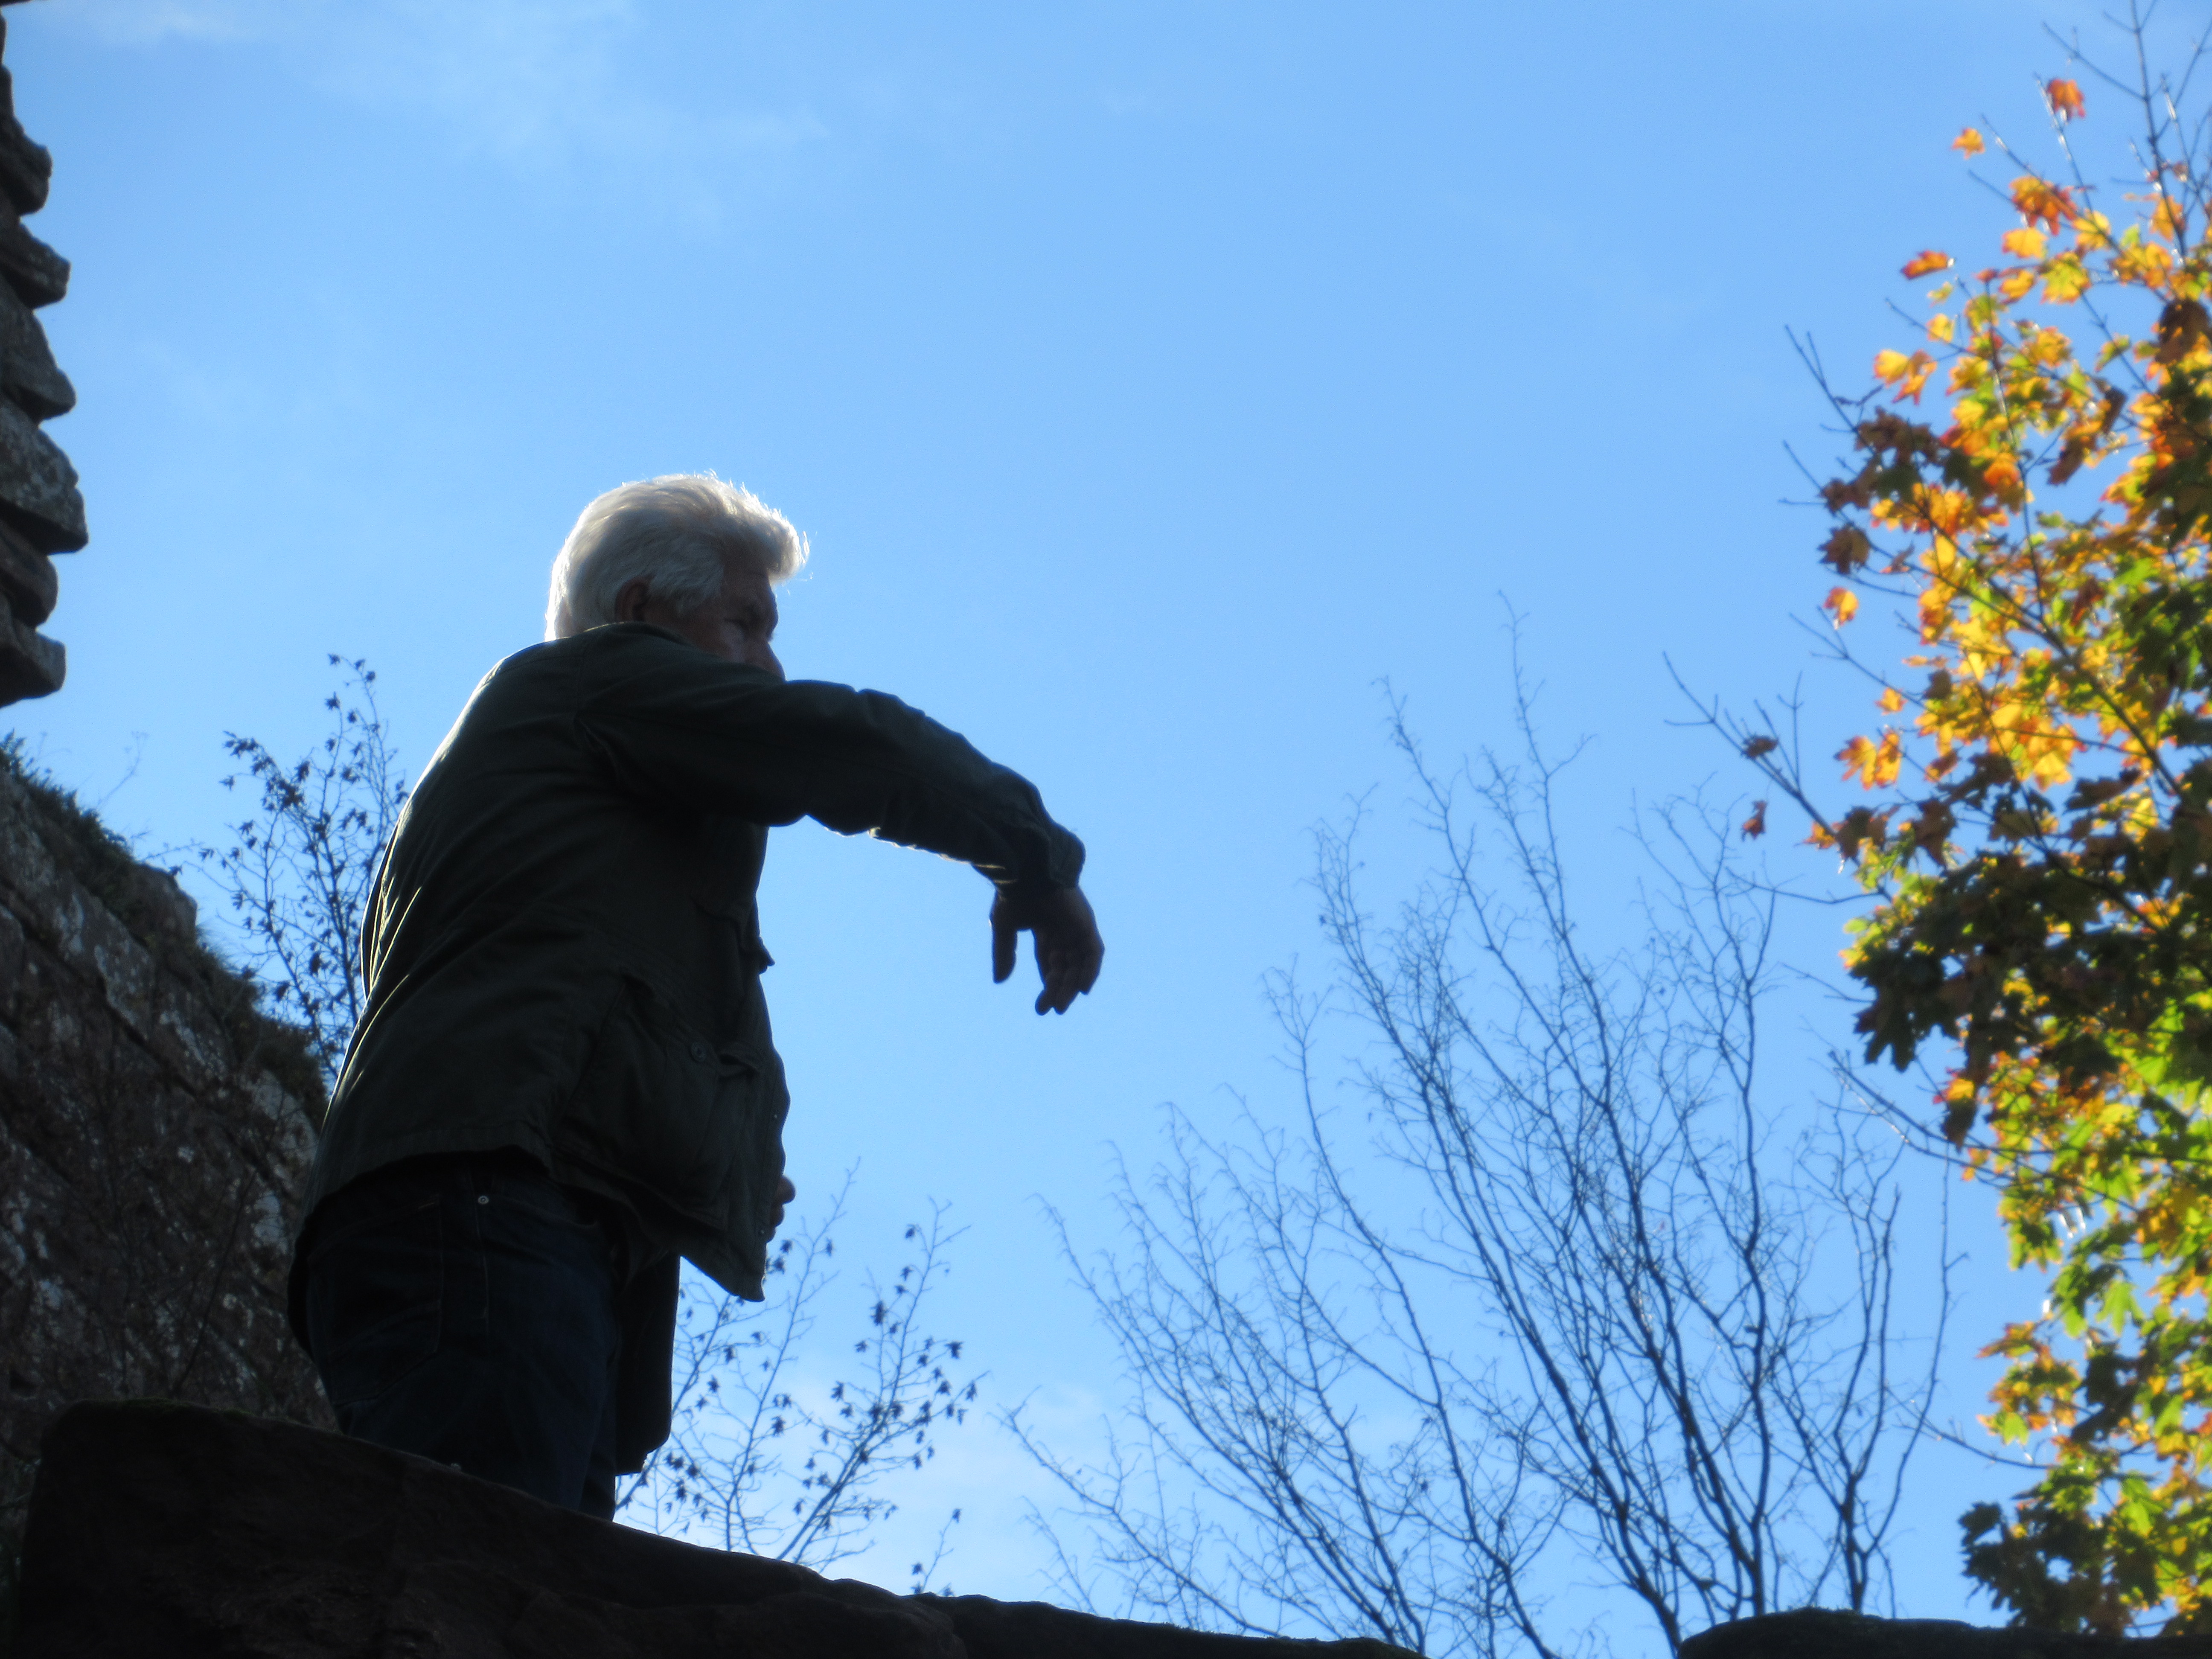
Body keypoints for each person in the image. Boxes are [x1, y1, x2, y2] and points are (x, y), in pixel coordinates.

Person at [285, 473, 1103, 1519]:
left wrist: (732, 1163)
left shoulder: (566, 790)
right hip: (488, 1217)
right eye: (744, 624)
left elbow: (591, 1006)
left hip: (492, 1222)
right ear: (639, 614)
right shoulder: (591, 686)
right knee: (482, 1579)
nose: (771, 665)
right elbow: (852, 745)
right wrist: (1032, 858)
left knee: (526, 1588)